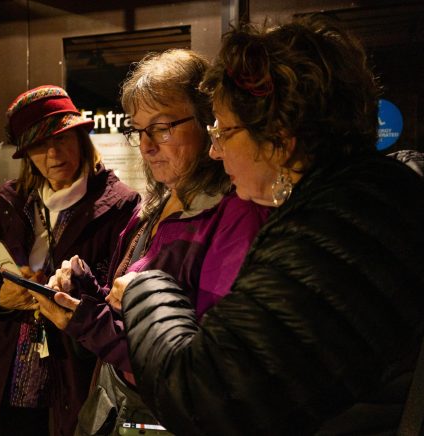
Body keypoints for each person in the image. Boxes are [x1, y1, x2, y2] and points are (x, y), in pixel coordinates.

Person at [115, 16, 424, 435]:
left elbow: (202, 399)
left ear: (280, 136)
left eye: (224, 131)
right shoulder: (369, 199)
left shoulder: (327, 231)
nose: (216, 151)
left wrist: (146, 286)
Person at [30, 49, 270, 435]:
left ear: (210, 122)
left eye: (162, 127)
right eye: (138, 130)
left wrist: (88, 322)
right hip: (119, 406)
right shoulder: (157, 202)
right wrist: (87, 291)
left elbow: (201, 366)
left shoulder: (236, 215)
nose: (146, 146)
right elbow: (129, 308)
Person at [0, 85, 140, 436]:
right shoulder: (12, 200)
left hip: (74, 365)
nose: (53, 153)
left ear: (82, 137)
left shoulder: (120, 205)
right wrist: (0, 298)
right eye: (40, 146)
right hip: (6, 366)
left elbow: (118, 294)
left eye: (62, 139)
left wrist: (72, 295)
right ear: (28, 154)